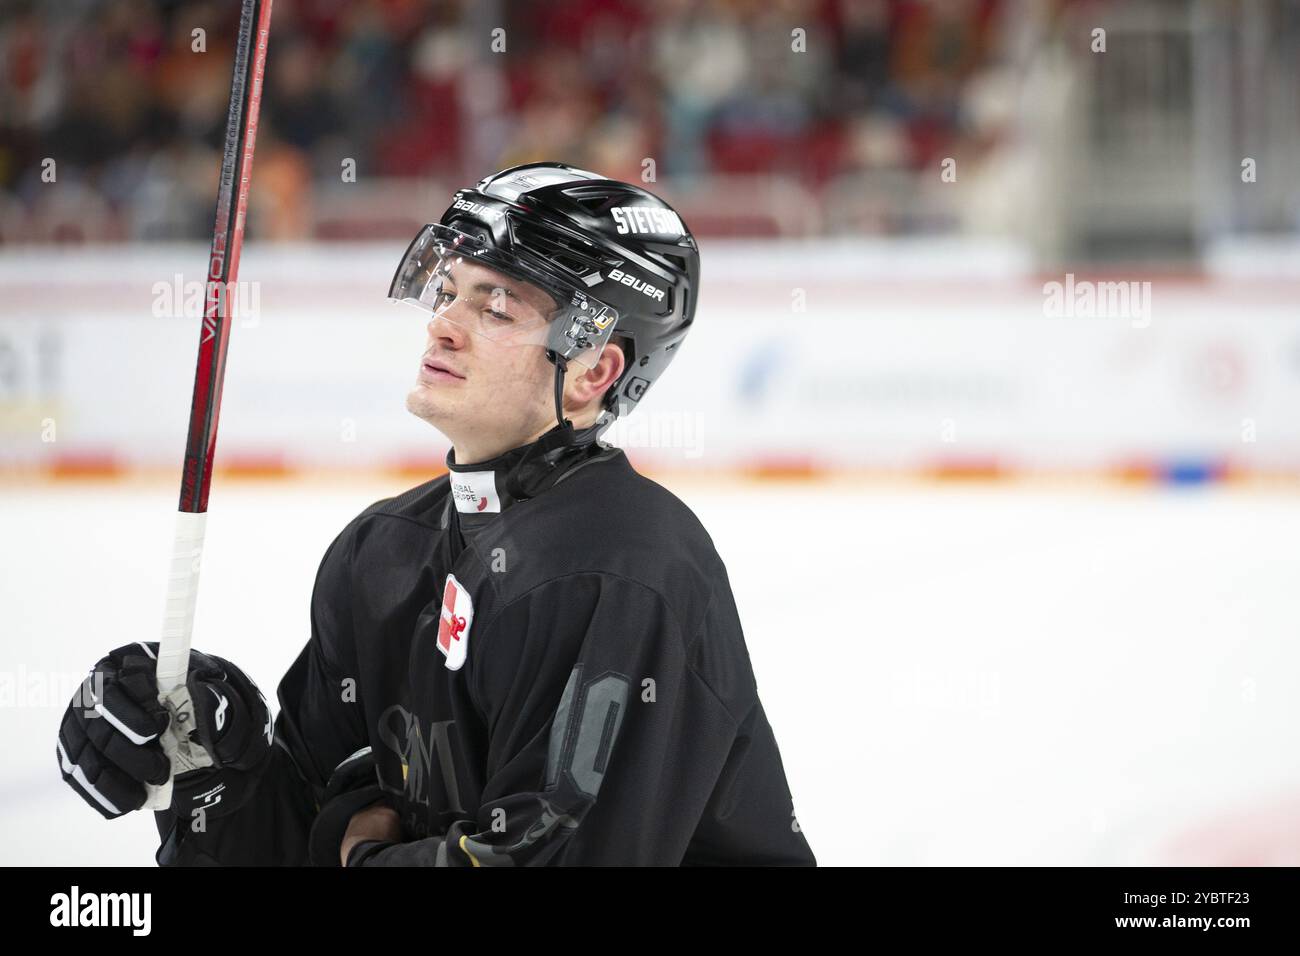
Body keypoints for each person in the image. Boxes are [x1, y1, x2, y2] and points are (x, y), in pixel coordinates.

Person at [56, 162, 815, 866]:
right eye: (451, 290)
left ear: (594, 372)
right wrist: (210, 761)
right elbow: (298, 834)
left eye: (498, 306)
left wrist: (362, 856)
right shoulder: (383, 552)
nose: (443, 324)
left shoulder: (621, 572)